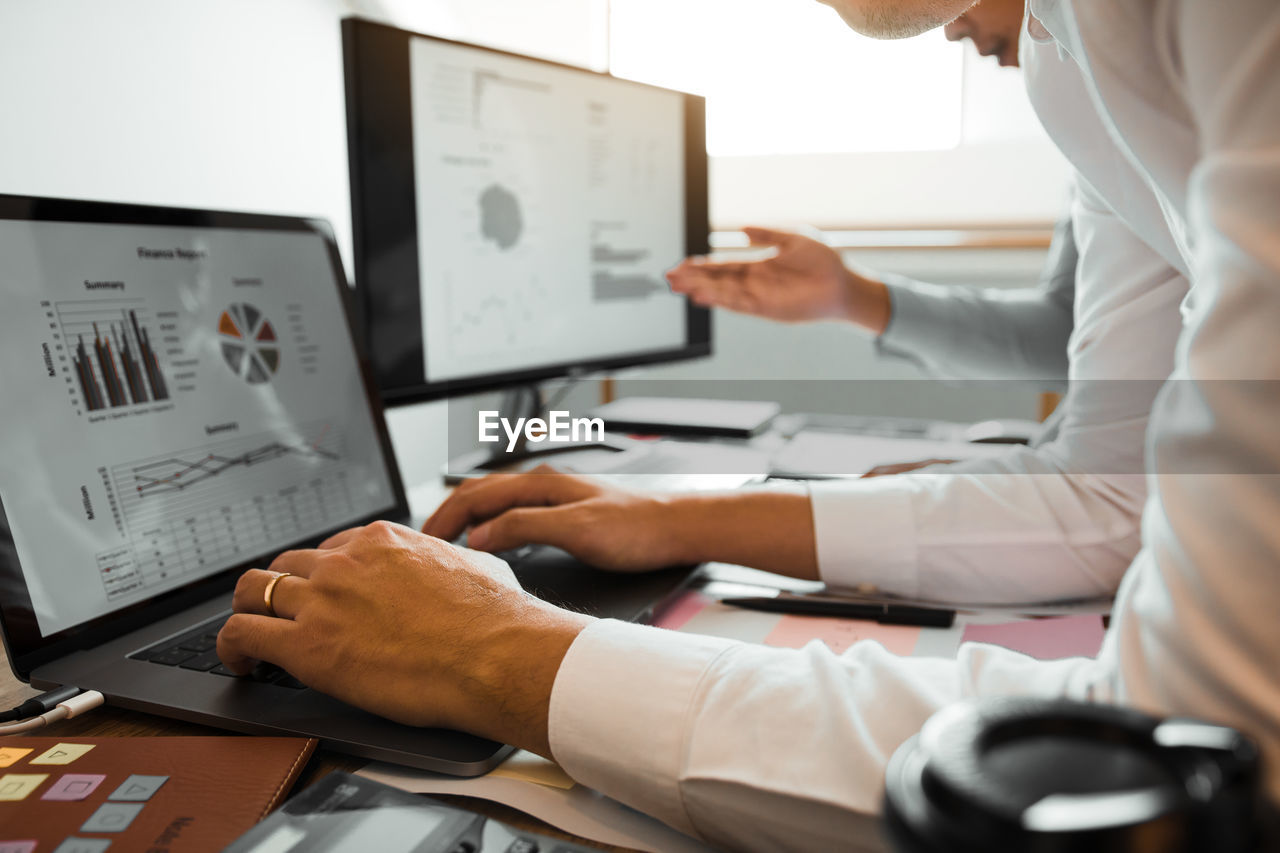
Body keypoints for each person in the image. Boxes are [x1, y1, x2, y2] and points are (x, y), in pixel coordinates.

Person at [217, 2, 1280, 851]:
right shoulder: (1073, 61)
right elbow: (1105, 497)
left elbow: (1178, 756)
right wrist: (677, 524)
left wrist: (504, 657)